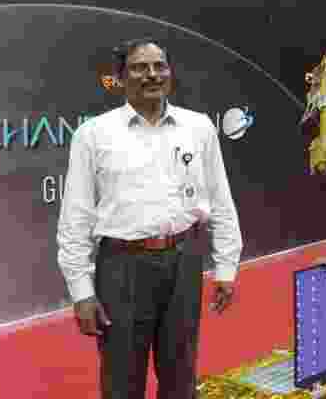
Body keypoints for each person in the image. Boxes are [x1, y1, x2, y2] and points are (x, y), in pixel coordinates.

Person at [57, 38, 243, 399]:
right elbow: (75, 219)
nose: (152, 74)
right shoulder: (93, 135)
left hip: (185, 260)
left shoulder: (199, 127)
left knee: (181, 373)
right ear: (120, 78)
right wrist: (81, 292)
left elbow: (221, 200)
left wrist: (226, 267)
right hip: (122, 267)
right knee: (122, 379)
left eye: (160, 66)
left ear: (170, 74)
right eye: (140, 68)